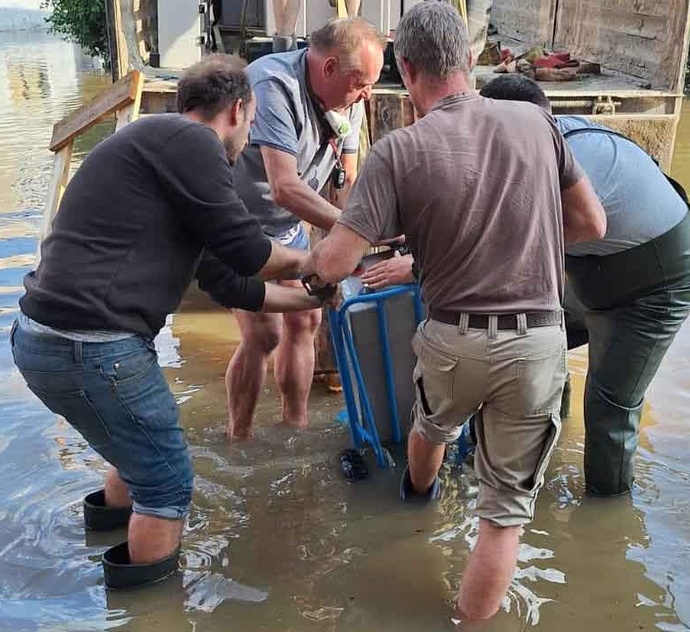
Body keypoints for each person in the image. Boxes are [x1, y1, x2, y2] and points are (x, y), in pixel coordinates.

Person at [302, 2, 605, 620]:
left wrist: (293, 271)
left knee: (431, 424)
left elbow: (334, 263)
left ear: (406, 71)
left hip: (452, 338)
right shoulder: (538, 124)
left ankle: (416, 497)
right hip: (538, 342)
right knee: (501, 521)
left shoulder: (397, 151)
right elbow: (591, 224)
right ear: (470, 59)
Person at [10, 54, 336, 589]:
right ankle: (149, 612)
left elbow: (228, 281)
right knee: (166, 484)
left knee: (131, 453)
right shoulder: (192, 142)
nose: (247, 137)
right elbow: (248, 249)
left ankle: (101, 553)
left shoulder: (157, 153)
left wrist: (310, 301)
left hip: (42, 340)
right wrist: (320, 261)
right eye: (251, 124)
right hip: (96, 344)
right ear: (236, 109)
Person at [478, 74, 690, 496]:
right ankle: (556, 437)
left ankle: (607, 514)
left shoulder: (564, 158)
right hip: (600, 273)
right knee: (539, 332)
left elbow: (552, 232)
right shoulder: (539, 142)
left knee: (609, 406)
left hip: (657, 284)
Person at [223, 17, 385, 439]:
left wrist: (353, 235)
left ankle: (294, 427)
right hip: (244, 227)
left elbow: (346, 184)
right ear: (328, 68)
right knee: (263, 334)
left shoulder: (347, 100)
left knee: (306, 323)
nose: (366, 93)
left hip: (290, 228)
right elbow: (284, 187)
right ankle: (238, 435)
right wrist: (361, 231)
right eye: (359, 82)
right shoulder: (272, 84)